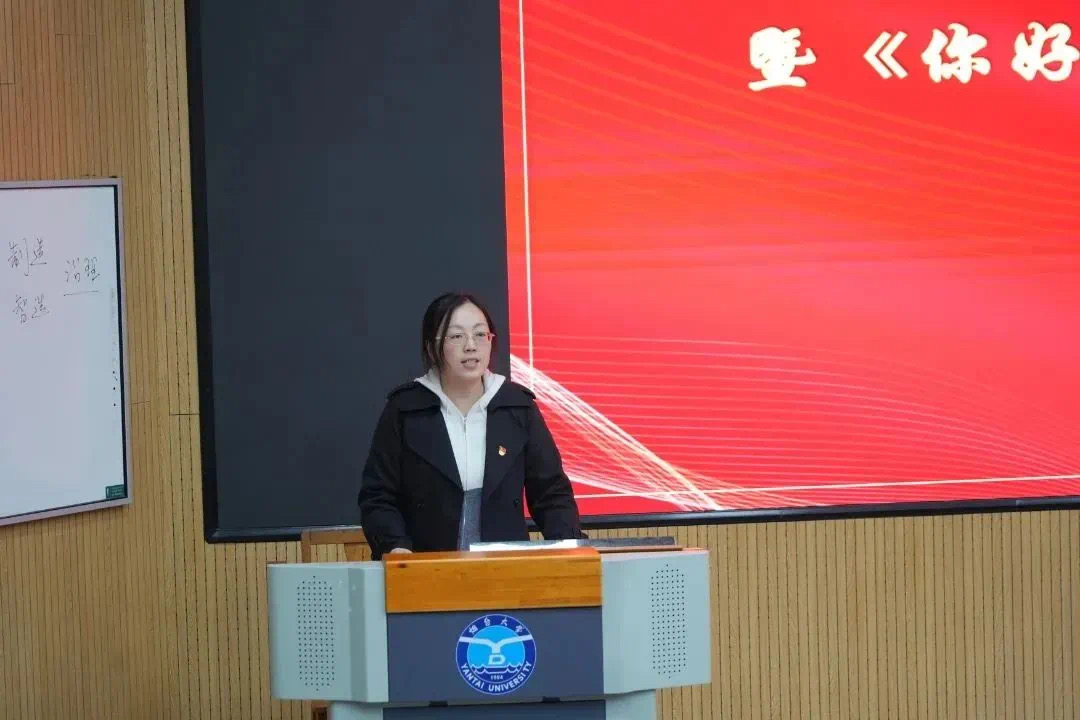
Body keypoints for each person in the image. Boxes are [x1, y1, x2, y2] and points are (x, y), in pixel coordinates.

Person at [357, 292, 584, 559]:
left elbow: (551, 493)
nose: (471, 346)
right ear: (431, 347)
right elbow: (378, 496)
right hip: (424, 567)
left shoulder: (517, 407)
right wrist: (395, 546)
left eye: (480, 334)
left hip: (504, 569)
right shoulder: (405, 410)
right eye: (456, 336)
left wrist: (569, 547)